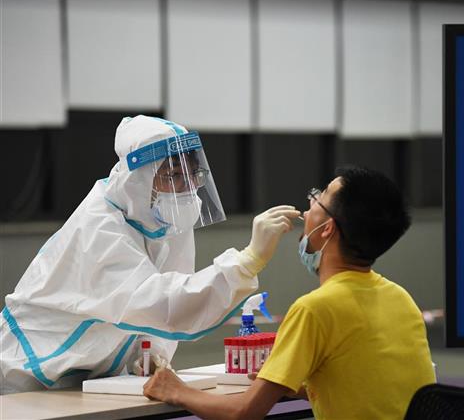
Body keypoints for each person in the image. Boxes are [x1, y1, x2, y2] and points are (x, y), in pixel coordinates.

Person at [0, 115, 300, 394]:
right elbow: (161, 302)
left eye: (193, 173)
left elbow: (171, 289)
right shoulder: (98, 229)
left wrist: (152, 352)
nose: (187, 187)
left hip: (92, 374)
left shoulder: (161, 214)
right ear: (139, 179)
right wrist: (247, 261)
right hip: (29, 373)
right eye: (173, 175)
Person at [143, 166, 436, 419]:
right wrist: (305, 386)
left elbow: (243, 412)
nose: (308, 207)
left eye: (319, 198)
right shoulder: (400, 298)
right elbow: (373, 389)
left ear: (327, 229)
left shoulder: (315, 309)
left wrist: (176, 390)